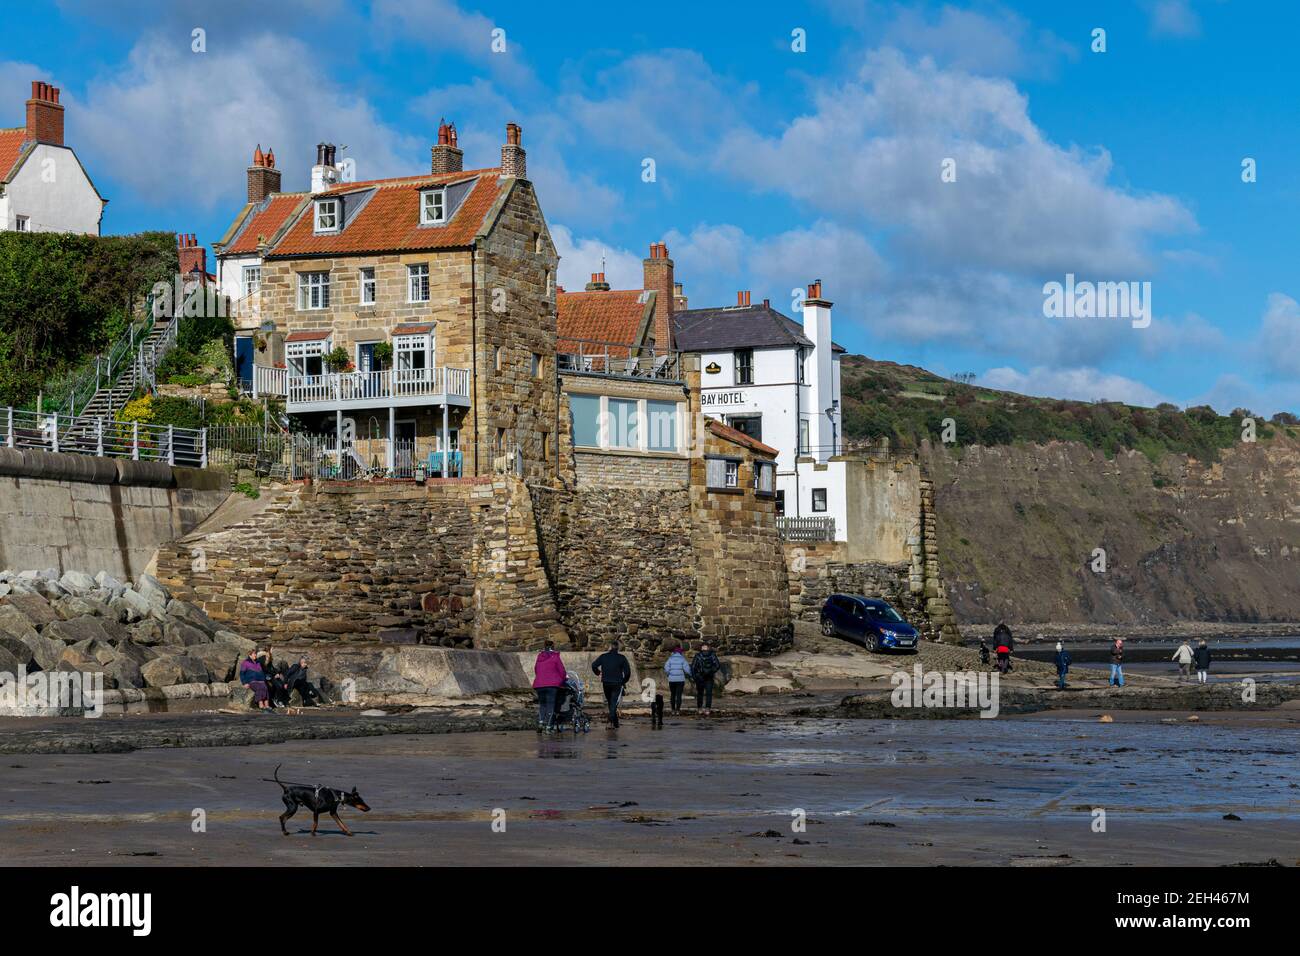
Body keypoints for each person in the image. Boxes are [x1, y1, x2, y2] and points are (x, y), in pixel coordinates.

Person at [592, 640, 632, 728]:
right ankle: (611, 719)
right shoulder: (622, 658)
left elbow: (594, 665)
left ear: (610, 647)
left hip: (606, 682)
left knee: (610, 702)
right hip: (617, 683)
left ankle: (615, 722)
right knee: (613, 702)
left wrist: (598, 673)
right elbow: (628, 672)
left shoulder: (603, 656)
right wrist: (624, 681)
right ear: (617, 648)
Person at [532, 640, 567, 733]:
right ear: (553, 646)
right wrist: (563, 679)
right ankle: (548, 727)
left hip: (539, 684)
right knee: (550, 705)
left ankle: (540, 723)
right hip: (552, 685)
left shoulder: (539, 656)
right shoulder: (555, 657)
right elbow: (562, 671)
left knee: (542, 705)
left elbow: (536, 669)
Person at [692, 643, 722, 715]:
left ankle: (699, 708)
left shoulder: (698, 655)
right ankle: (707, 709)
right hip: (709, 676)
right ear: (708, 648)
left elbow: (693, 667)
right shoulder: (712, 655)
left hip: (700, 676)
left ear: (701, 648)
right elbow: (717, 665)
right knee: (708, 694)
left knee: (700, 693)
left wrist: (694, 676)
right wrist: (711, 671)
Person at [663, 644, 691, 715]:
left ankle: (672, 710)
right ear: (680, 652)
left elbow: (666, 668)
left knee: (672, 694)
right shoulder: (682, 659)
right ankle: (678, 710)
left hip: (672, 680)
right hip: (680, 680)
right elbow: (687, 670)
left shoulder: (670, 659)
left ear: (674, 652)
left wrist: (668, 673)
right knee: (679, 695)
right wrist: (690, 674)